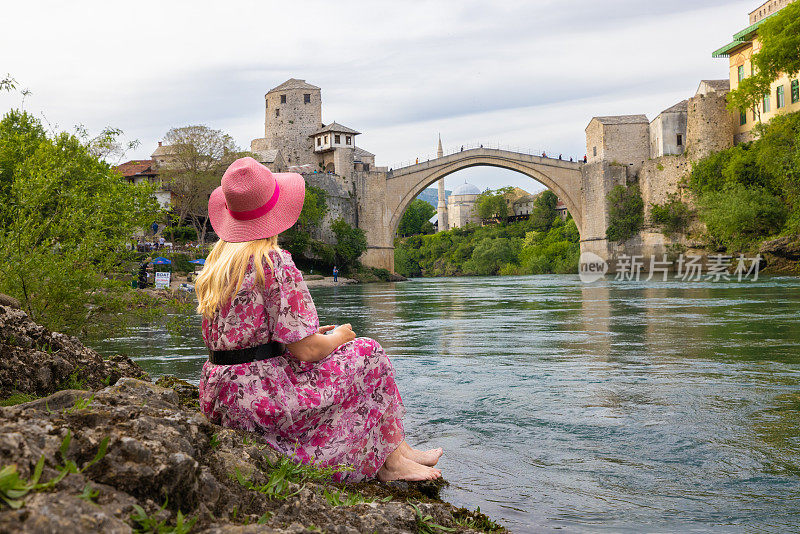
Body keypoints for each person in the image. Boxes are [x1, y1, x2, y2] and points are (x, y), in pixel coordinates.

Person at [196, 158, 442, 482]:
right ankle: (392, 462)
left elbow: (245, 339)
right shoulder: (273, 262)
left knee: (350, 358)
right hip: (262, 399)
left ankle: (398, 449)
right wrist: (340, 336)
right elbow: (308, 351)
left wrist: (300, 339)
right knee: (368, 353)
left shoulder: (216, 266)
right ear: (274, 211)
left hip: (221, 395)